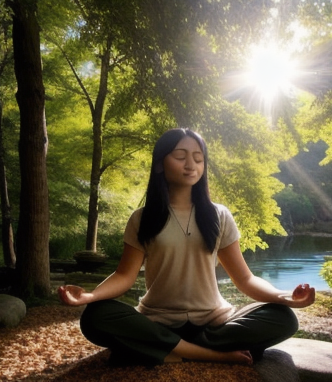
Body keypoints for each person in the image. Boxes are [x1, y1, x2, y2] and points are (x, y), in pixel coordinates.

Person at [58, 128, 315, 367]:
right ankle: (207, 355)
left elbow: (245, 279)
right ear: (160, 164)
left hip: (214, 324)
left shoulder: (219, 216)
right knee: (96, 316)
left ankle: (170, 351)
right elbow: (125, 276)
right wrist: (90, 296)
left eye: (198, 158)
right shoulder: (142, 218)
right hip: (157, 321)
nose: (191, 164)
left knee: (283, 318)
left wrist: (285, 297)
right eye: (180, 156)